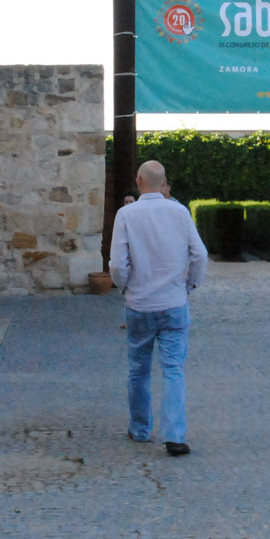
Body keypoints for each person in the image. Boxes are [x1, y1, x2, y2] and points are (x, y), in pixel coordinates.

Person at [108, 160, 207, 457]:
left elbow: (116, 264)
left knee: (138, 369)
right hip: (174, 302)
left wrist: (125, 286)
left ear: (139, 181)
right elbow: (199, 255)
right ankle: (175, 435)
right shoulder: (179, 212)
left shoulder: (126, 214)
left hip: (139, 304)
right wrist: (189, 285)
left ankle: (140, 428)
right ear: (163, 181)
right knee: (174, 369)